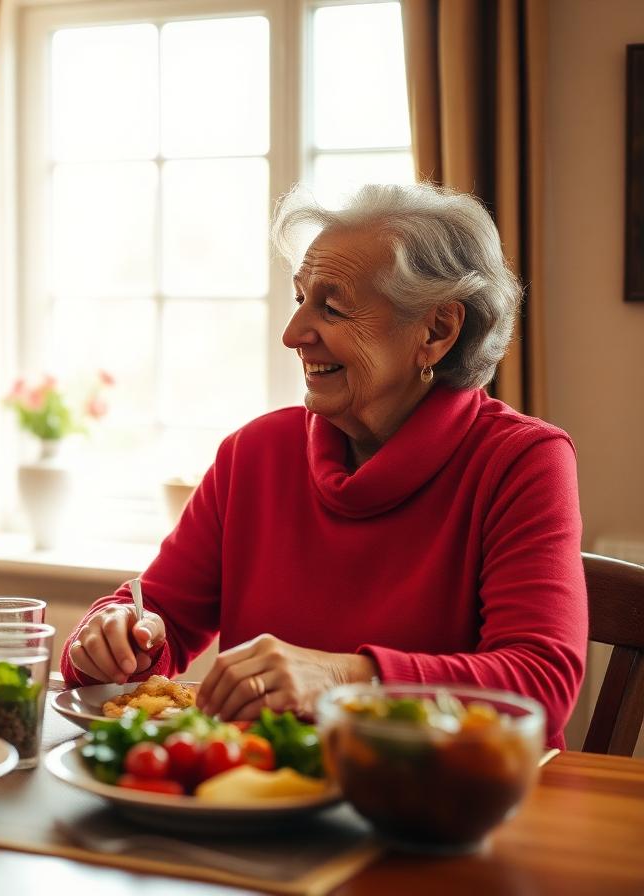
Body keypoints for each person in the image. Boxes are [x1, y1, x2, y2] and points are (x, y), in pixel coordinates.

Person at [61, 183, 586, 747]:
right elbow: (157, 612)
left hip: (439, 806)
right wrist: (113, 635)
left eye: (332, 308)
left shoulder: (521, 462)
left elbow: (539, 683)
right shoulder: (253, 454)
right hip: (261, 800)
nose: (293, 335)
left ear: (436, 331)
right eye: (300, 300)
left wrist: (342, 677)